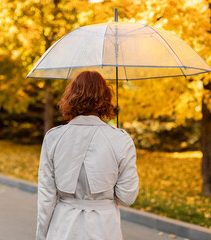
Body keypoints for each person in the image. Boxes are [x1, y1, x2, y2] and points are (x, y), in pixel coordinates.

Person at [36, 71, 139, 240]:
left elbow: (46, 198)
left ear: (70, 97)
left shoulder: (53, 137)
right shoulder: (121, 139)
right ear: (106, 98)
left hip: (63, 228)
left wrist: (41, 236)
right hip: (105, 229)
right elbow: (127, 197)